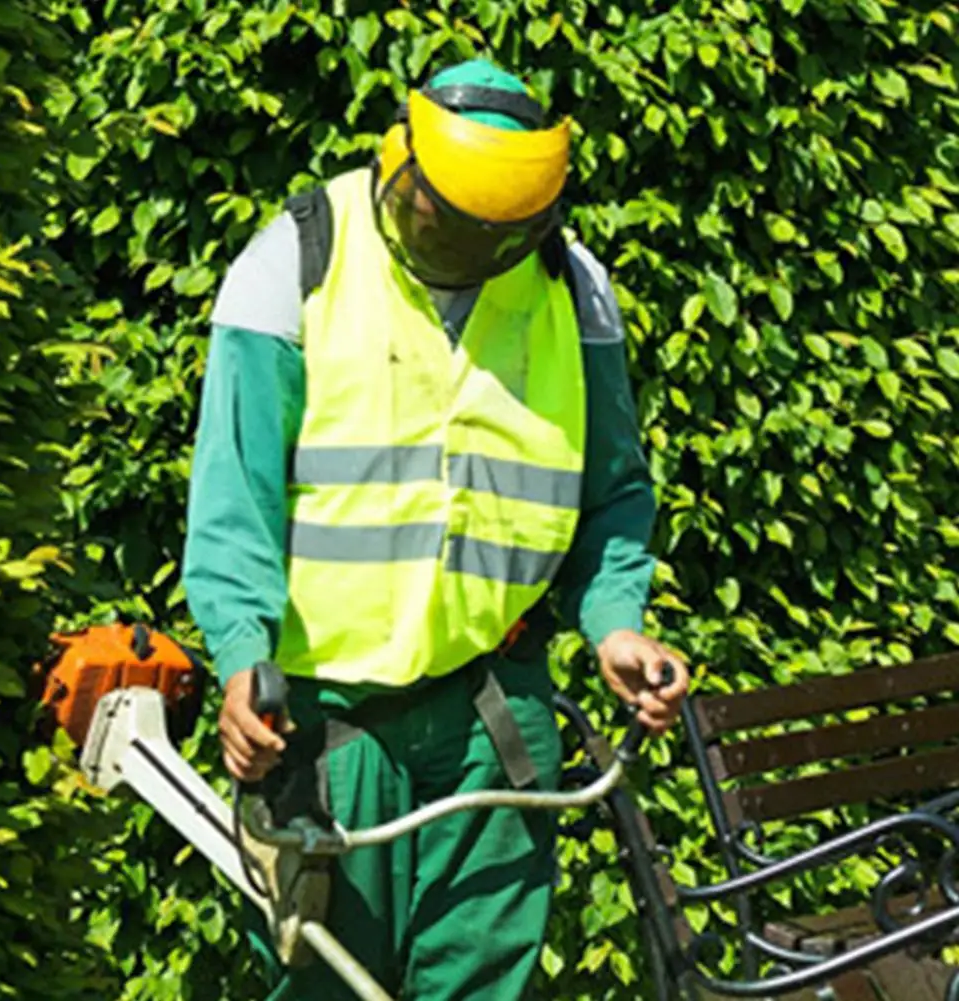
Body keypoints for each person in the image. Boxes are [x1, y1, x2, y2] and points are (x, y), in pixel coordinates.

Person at [182, 58, 689, 1001]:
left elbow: (612, 490)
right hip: (325, 725)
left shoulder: (571, 291)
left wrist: (614, 620)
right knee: (324, 983)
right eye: (434, 217)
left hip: (491, 713)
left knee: (480, 985)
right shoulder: (297, 259)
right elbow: (232, 495)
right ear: (398, 164)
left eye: (481, 236)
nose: (448, 244)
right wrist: (240, 655)